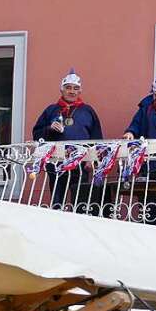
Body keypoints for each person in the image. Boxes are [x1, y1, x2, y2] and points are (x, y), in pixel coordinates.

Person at [31, 68, 104, 212]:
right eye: (68, 88)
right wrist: (49, 129)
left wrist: (93, 159)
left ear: (80, 91)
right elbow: (36, 134)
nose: (72, 91)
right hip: (57, 162)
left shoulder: (88, 111)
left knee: (81, 201)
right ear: (62, 90)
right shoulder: (51, 110)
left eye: (76, 88)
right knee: (57, 201)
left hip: (82, 163)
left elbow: (97, 138)